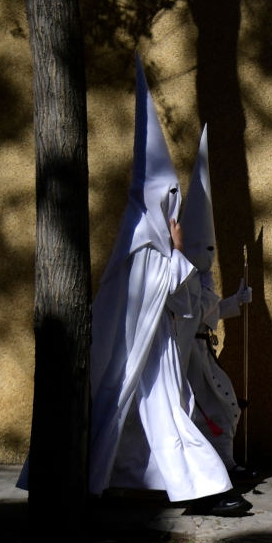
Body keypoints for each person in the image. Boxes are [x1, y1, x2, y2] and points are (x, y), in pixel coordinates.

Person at [87, 56, 249, 516]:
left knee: (152, 426)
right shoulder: (140, 248)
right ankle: (207, 489)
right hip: (148, 357)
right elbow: (163, 292)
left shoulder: (156, 249)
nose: (175, 211)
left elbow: (188, 299)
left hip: (164, 353)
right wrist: (177, 254)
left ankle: (127, 482)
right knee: (166, 420)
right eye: (169, 200)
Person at [176, 125, 255, 480]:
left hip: (205, 355)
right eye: (200, 249)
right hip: (186, 359)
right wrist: (177, 254)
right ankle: (209, 474)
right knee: (204, 412)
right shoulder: (178, 280)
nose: (207, 256)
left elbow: (210, 311)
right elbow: (184, 311)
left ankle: (227, 466)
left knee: (225, 409)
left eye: (212, 249)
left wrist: (235, 302)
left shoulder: (203, 284)